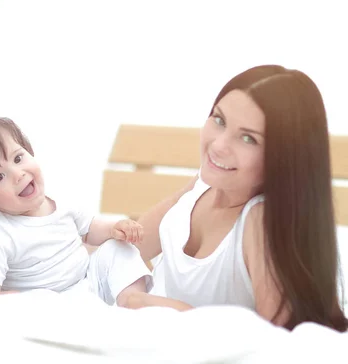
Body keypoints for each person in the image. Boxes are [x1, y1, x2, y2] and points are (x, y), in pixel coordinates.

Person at [129, 65, 348, 331]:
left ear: (285, 158)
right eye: (219, 120)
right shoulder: (201, 187)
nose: (219, 145)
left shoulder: (259, 221)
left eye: (248, 138)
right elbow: (129, 245)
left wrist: (169, 310)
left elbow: (280, 344)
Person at [0, 115, 153, 307]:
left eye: (18, 158)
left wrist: (115, 228)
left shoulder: (59, 200)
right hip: (53, 303)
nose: (18, 174)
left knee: (117, 248)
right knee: (32, 300)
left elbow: (90, 229)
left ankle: (132, 299)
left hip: (90, 281)